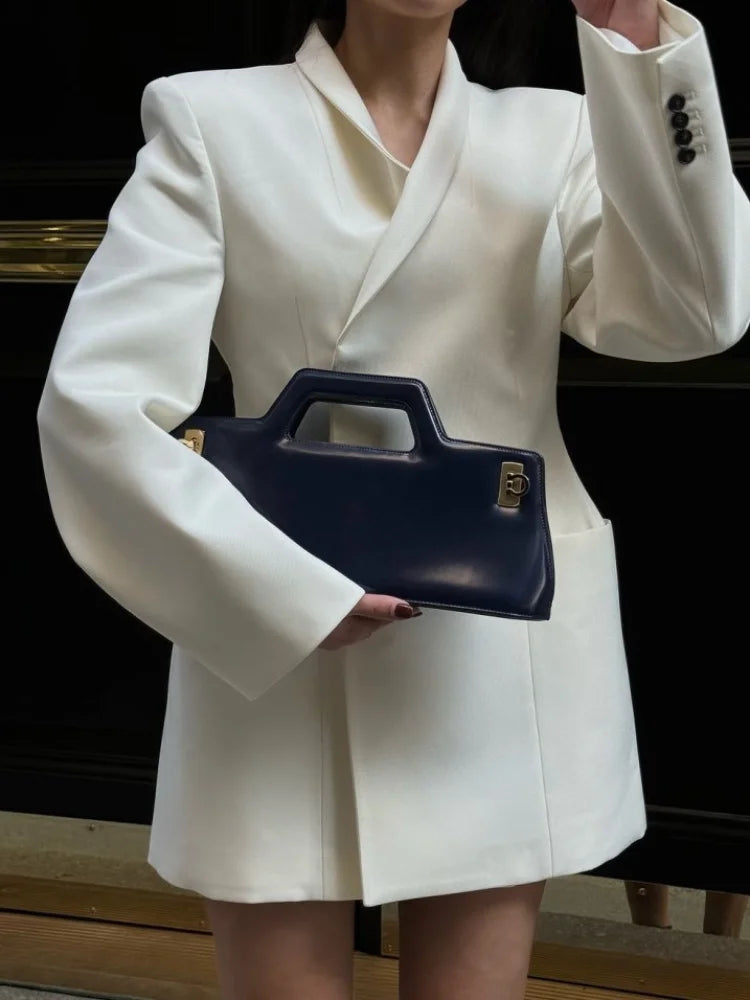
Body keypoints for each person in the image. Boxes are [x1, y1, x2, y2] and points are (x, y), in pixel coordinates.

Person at [36, 0, 750, 997]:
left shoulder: (558, 130)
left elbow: (693, 314)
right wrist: (284, 593)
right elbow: (92, 407)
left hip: (492, 650)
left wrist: (637, 50)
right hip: (279, 641)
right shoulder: (213, 119)